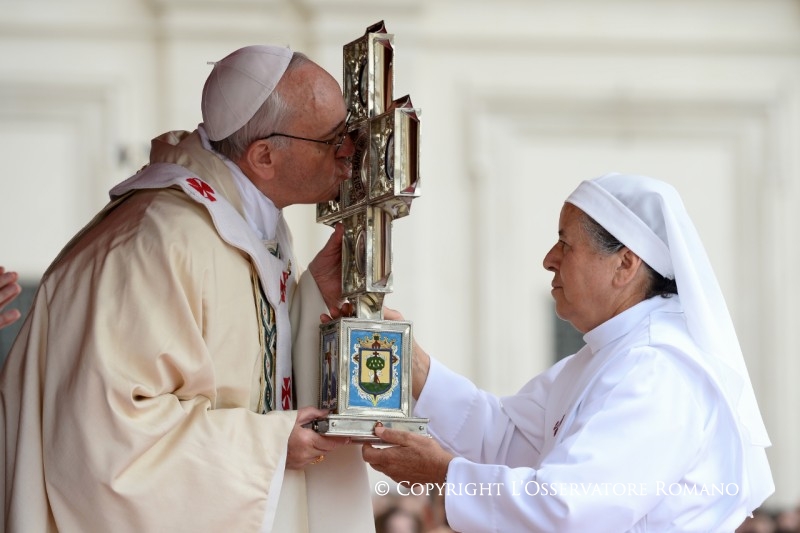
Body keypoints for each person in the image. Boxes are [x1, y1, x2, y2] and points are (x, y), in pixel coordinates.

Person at [1, 45, 376, 532]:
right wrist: (267, 446)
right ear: (264, 156)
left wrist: (312, 298)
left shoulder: (244, 225)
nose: (350, 152)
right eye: (334, 139)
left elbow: (262, 367)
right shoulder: (158, 241)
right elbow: (106, 439)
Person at [362, 172, 774, 532]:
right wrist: (411, 366)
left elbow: (569, 509)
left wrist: (444, 474)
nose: (548, 259)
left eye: (565, 243)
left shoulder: (656, 369)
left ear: (625, 264)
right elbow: (506, 440)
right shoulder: (602, 358)